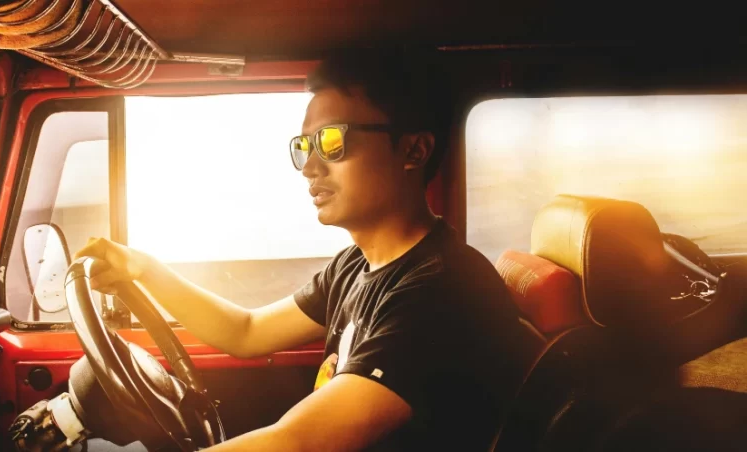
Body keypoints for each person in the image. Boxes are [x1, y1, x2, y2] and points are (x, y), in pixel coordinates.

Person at [76, 48, 536, 451]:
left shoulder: (441, 291)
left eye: (333, 141)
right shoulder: (357, 265)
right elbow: (247, 331)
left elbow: (296, 443)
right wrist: (145, 269)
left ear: (413, 151)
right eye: (303, 146)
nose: (310, 167)